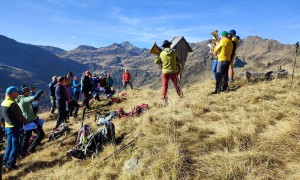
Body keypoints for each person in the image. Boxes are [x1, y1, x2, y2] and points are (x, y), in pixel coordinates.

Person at [1, 86, 27, 170]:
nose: (18, 94)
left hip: (8, 127)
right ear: (12, 93)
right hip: (16, 128)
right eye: (17, 93)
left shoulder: (4, 102)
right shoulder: (13, 104)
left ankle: (5, 160)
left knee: (9, 145)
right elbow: (20, 116)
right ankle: (11, 165)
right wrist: (26, 122)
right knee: (16, 147)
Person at [16, 86, 45, 155]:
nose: (30, 92)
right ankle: (31, 149)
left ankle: (23, 151)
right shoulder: (24, 99)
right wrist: (41, 91)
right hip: (31, 120)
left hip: (26, 120)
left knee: (27, 136)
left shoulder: (19, 99)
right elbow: (35, 97)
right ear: (25, 92)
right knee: (40, 134)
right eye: (29, 91)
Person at [155, 40, 183, 106]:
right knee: (177, 84)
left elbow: (156, 62)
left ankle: (164, 100)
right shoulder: (174, 51)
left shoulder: (161, 53)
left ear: (164, 46)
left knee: (164, 85)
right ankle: (181, 96)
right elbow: (177, 59)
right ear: (169, 45)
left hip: (164, 72)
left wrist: (158, 56)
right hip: (173, 71)